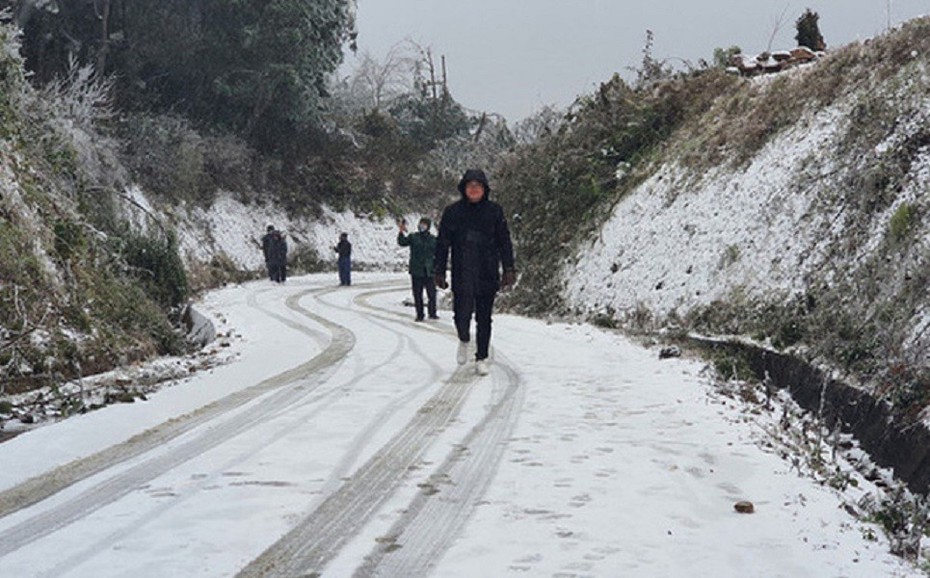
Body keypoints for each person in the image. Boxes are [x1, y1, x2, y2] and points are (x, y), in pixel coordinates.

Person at [434, 169, 516, 376]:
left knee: (484, 317)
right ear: (464, 189)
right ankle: (463, 339)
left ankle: (482, 357)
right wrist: (439, 270)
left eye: (477, 186)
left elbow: (504, 241)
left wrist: (508, 268)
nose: (474, 189)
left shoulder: (494, 211)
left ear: (484, 189)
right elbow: (443, 244)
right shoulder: (452, 212)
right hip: (462, 271)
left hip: (487, 270)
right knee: (461, 315)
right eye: (470, 186)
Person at [398, 217, 438, 321]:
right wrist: (401, 232)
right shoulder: (413, 237)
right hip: (416, 271)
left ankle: (432, 313)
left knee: (432, 294)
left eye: (424, 224)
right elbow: (402, 242)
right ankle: (420, 314)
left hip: (429, 271)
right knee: (417, 294)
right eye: (421, 224)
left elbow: (439, 252)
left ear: (428, 227)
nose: (422, 226)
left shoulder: (433, 239)